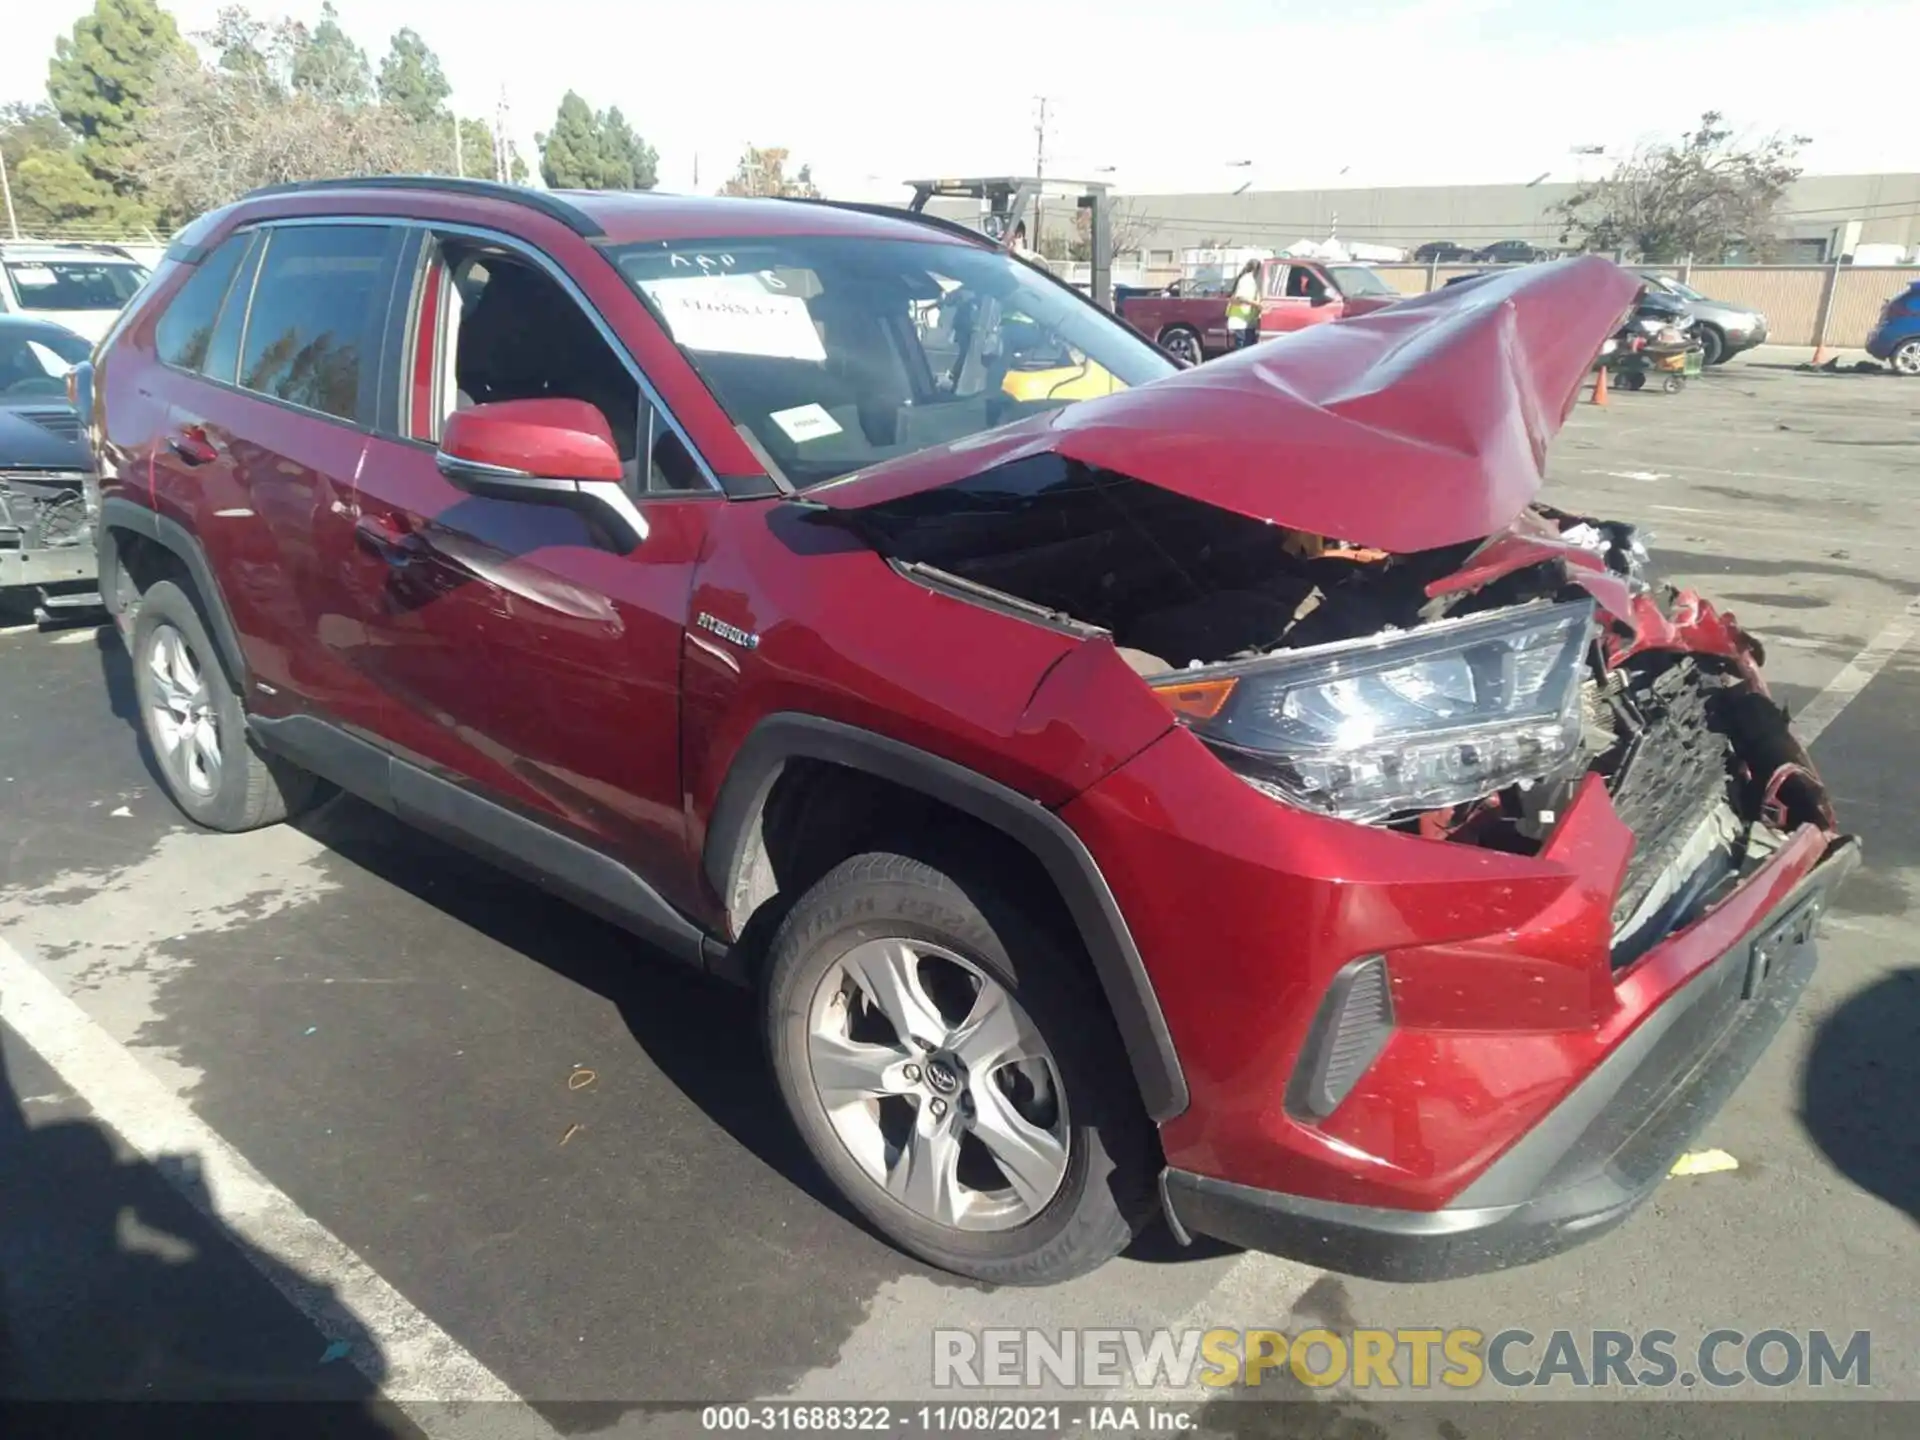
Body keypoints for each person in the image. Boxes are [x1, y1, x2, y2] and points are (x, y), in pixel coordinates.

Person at [1227, 259, 1263, 349]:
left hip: (1247, 322)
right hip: (1240, 321)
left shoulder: (1252, 280)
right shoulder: (1247, 280)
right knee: (1242, 351)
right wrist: (1257, 305)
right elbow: (1241, 297)